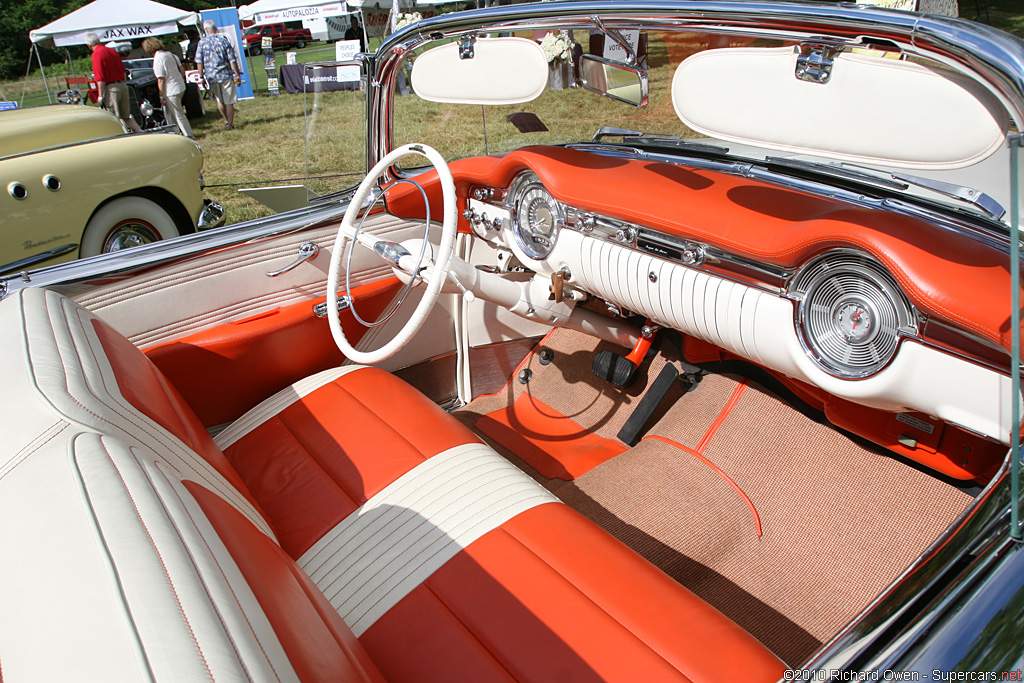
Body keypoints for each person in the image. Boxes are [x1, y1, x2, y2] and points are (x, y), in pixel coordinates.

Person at [85, 33, 141, 132]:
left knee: (115, 117)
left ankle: (124, 135)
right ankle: (140, 132)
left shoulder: (96, 54)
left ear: (89, 46)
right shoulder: (112, 51)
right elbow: (123, 71)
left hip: (112, 88)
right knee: (126, 116)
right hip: (123, 85)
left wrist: (100, 96)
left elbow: (100, 77)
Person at [143, 37, 194, 140]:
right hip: (179, 85)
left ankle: (189, 134)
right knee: (170, 113)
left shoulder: (158, 59)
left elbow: (161, 79)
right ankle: (174, 133)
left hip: (171, 89)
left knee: (177, 113)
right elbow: (182, 70)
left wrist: (161, 95)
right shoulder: (171, 54)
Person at [195, 19, 242, 130]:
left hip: (212, 76)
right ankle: (230, 124)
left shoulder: (201, 43)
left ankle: (226, 120)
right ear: (215, 29)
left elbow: (199, 62)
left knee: (219, 100)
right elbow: (232, 60)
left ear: (206, 30)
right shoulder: (223, 41)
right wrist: (237, 74)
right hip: (225, 74)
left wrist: (201, 76)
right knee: (229, 101)